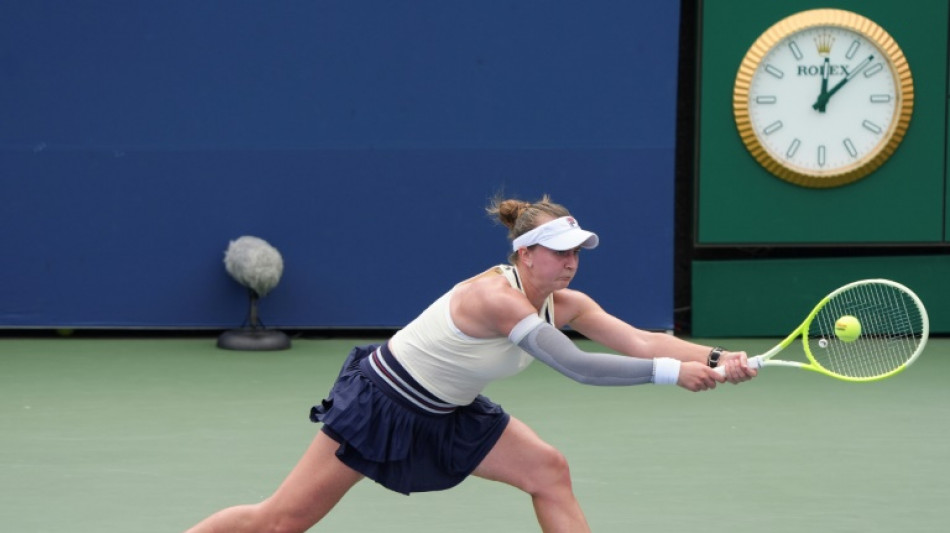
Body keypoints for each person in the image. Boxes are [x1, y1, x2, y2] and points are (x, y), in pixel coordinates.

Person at [186, 195, 757, 533]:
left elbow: (639, 341)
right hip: (384, 404)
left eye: (577, 252)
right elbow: (578, 366)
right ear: (525, 253)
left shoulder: (567, 303)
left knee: (548, 471)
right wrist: (672, 375)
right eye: (560, 252)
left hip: (451, 410)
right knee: (280, 522)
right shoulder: (494, 298)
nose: (571, 263)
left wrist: (717, 358)